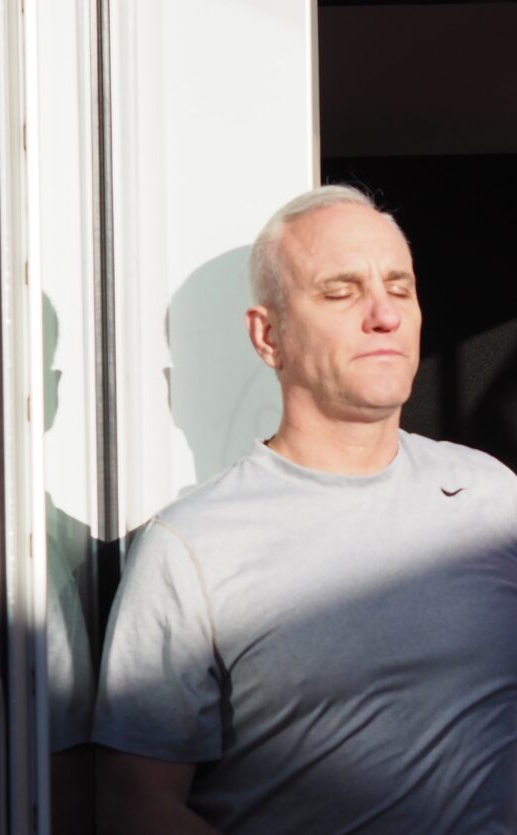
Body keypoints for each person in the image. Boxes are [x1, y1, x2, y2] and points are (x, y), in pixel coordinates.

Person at [93, 185, 517, 834]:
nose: (384, 314)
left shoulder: (493, 498)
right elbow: (134, 802)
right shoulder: (192, 545)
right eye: (341, 291)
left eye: (399, 288)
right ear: (269, 336)